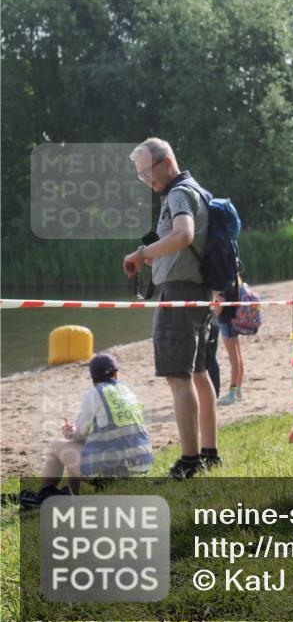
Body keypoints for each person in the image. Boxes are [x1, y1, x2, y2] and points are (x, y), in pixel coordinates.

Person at [123, 138, 219, 479]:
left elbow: (183, 236)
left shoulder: (178, 193)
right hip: (196, 292)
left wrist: (142, 254)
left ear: (166, 163)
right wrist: (154, 258)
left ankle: (190, 460)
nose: (146, 180)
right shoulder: (195, 190)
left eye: (147, 172)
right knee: (198, 373)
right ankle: (209, 452)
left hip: (179, 296)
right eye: (140, 176)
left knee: (178, 378)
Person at [23, 354, 153, 507]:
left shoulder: (94, 394)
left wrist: (71, 432)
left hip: (112, 474)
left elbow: (78, 436)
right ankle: (73, 495)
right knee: (78, 449)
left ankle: (45, 494)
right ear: (116, 373)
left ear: (92, 377)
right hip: (138, 469)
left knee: (57, 446)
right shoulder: (127, 392)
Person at [214, 283, 245, 405]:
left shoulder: (222, 284)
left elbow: (219, 308)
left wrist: (214, 297)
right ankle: (238, 391)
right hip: (235, 320)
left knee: (234, 360)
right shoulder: (236, 281)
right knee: (238, 358)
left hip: (226, 322)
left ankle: (232, 394)